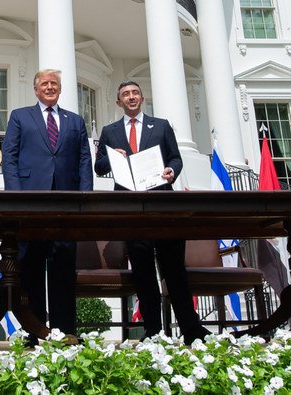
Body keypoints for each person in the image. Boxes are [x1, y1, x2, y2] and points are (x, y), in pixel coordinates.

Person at [94, 80, 211, 345]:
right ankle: (153, 331)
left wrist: (172, 171)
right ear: (118, 102)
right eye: (125, 94)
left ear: (142, 97)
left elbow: (175, 158)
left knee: (173, 270)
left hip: (162, 206)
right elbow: (99, 166)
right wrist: (113, 157)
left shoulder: (160, 126)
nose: (131, 97)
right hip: (131, 211)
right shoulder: (110, 131)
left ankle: (191, 329)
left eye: (135, 93)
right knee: (143, 273)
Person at [2, 69, 93, 342]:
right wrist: (17, 198)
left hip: (65, 203)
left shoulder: (75, 121)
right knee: (30, 267)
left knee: (63, 267)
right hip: (30, 202)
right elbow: (10, 157)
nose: (50, 87)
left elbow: (84, 161)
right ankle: (36, 330)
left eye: (54, 83)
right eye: (44, 83)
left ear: (60, 89)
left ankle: (66, 331)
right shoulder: (20, 116)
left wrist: (84, 197)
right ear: (36, 89)